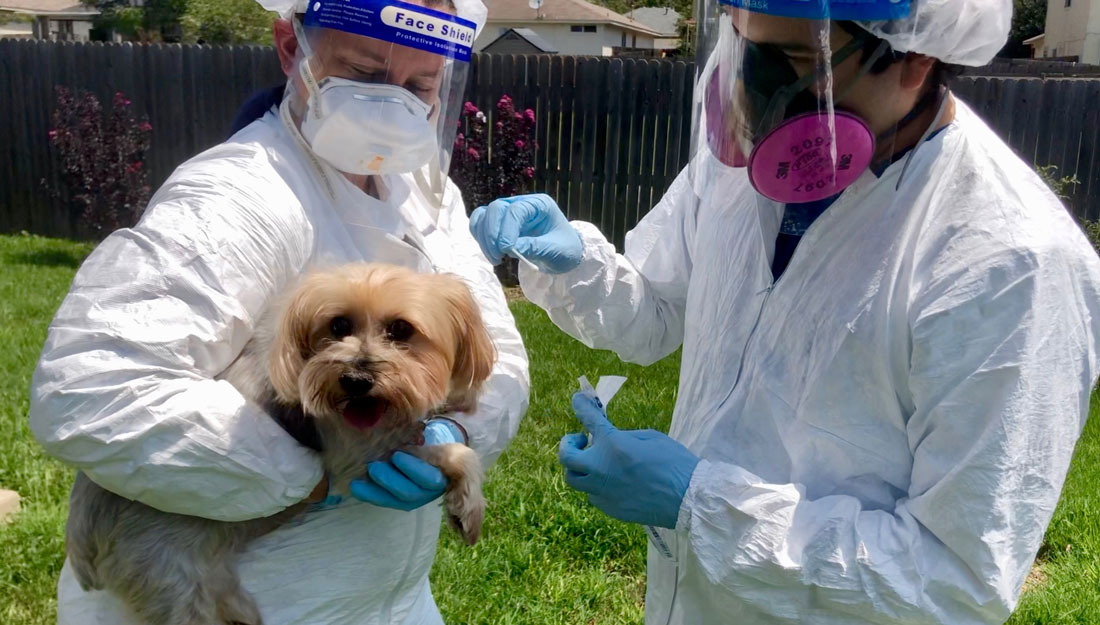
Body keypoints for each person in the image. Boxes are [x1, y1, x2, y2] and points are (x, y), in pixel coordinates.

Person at [469, 0, 1100, 623]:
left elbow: (954, 582)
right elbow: (658, 311)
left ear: (915, 56)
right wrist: (577, 263)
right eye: (743, 44)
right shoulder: (743, 172)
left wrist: (701, 506)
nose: (750, 87)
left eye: (793, 59)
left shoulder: (1011, 265)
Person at [29, 0, 529, 622]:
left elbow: (494, 357)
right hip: (233, 594)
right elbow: (91, 392)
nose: (394, 103)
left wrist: (456, 433)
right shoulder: (233, 200)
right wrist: (315, 472)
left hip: (384, 601)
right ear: (292, 49)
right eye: (367, 75)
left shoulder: (423, 189)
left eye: (420, 85)